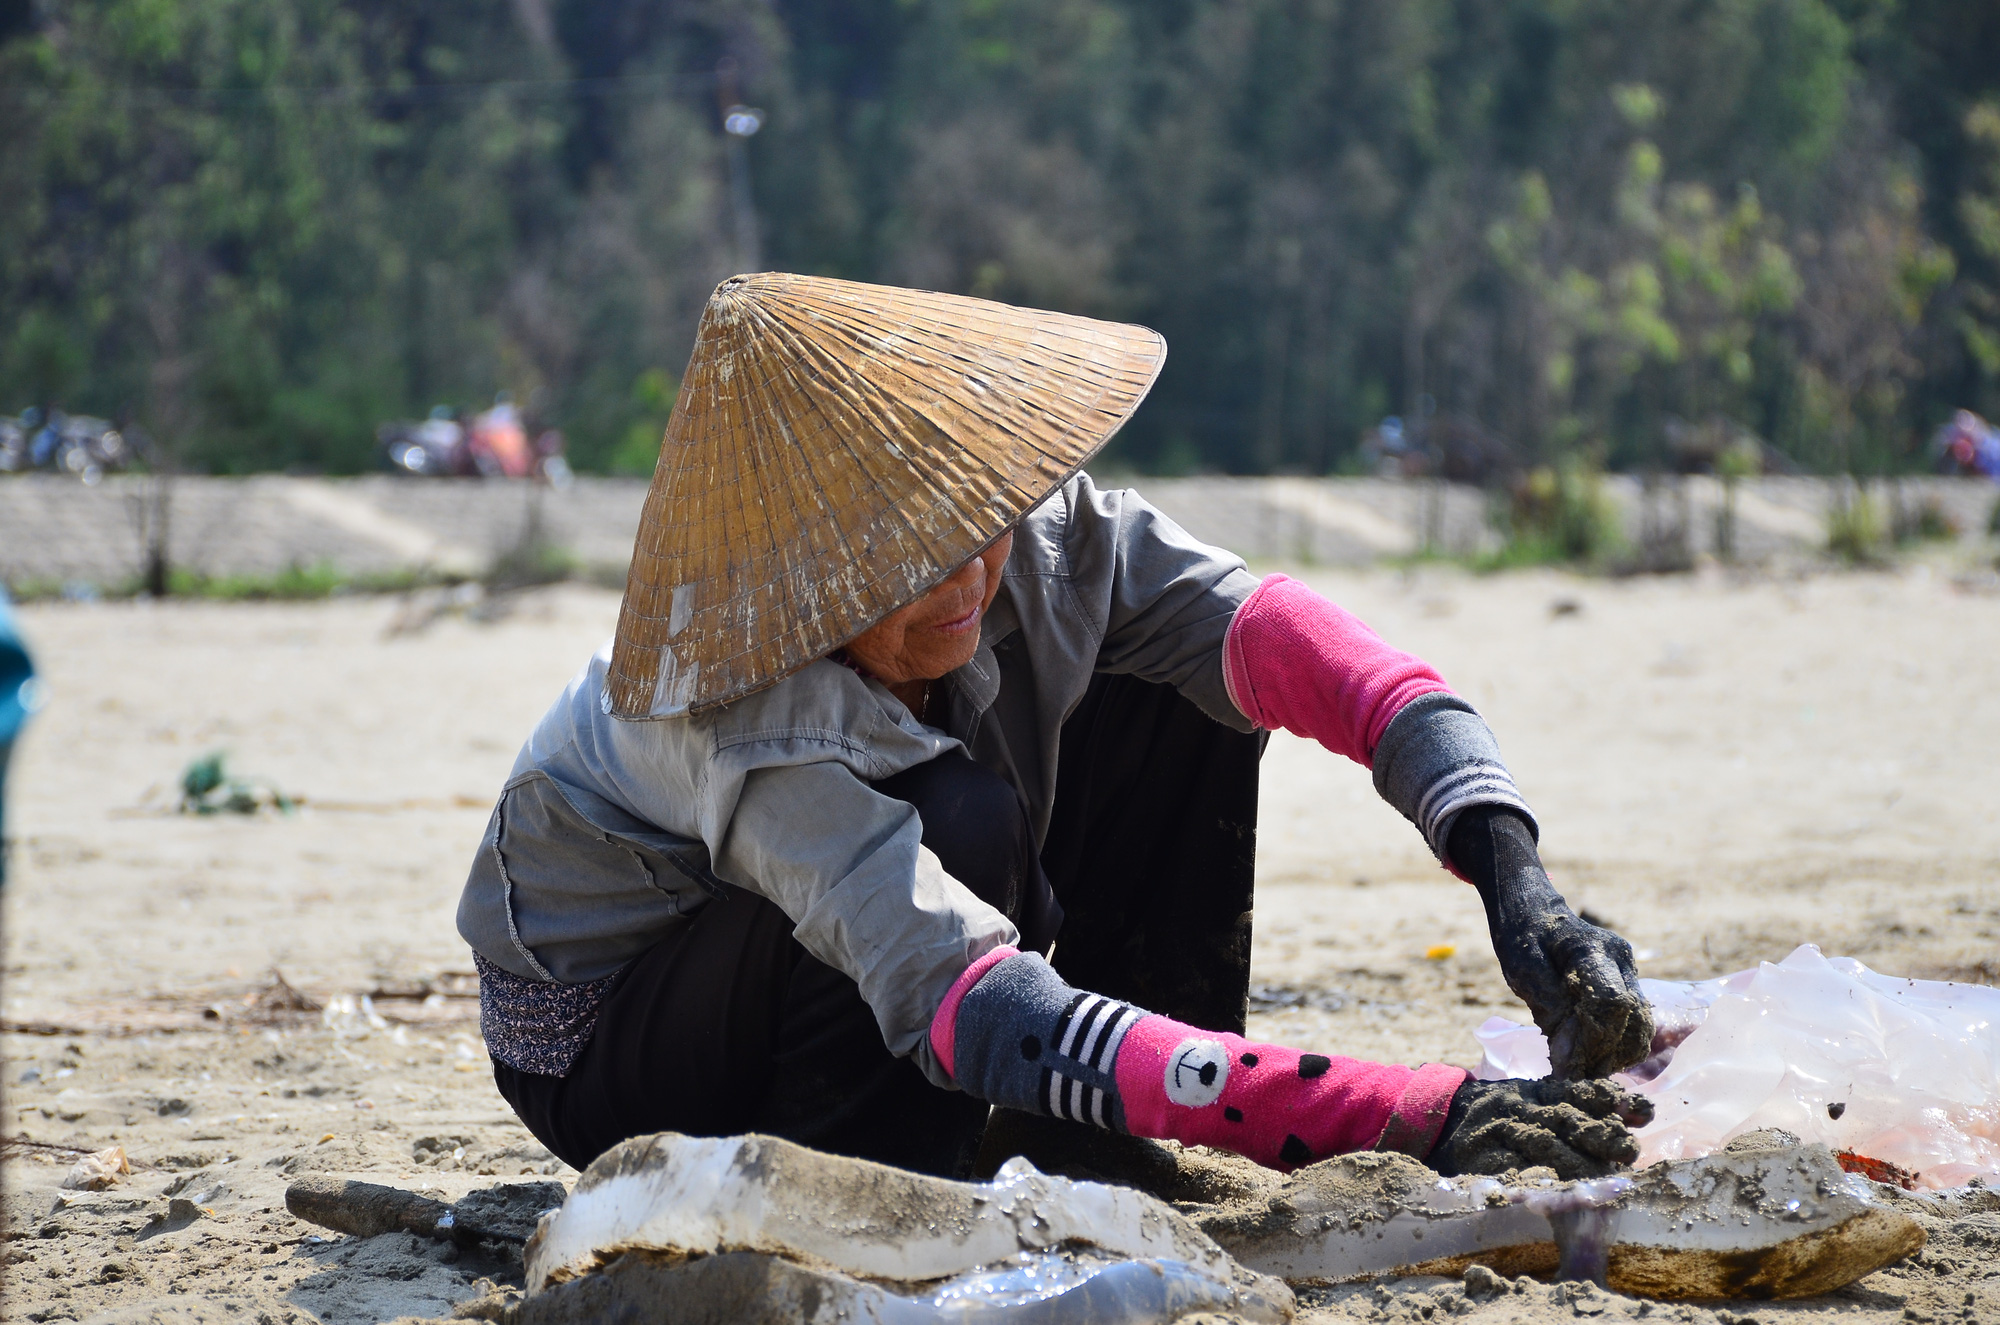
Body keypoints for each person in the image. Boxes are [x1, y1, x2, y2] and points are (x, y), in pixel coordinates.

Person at [456, 274, 1654, 1185]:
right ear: (809, 583)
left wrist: (1513, 877)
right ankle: (877, 1171)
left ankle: (1090, 1127)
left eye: (972, 527)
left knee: (1182, 685)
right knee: (958, 825)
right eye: (904, 565)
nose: (966, 578)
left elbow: (1301, 651)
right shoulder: (740, 712)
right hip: (614, 1039)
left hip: (861, 941)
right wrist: (1405, 1111)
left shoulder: (1021, 540)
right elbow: (967, 994)